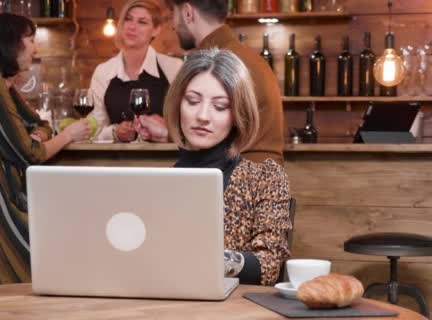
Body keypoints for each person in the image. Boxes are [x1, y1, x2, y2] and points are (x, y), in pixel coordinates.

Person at [0, 13, 90, 283]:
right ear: (9, 43)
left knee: (53, 245)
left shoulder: (5, 88)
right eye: (30, 40)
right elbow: (30, 155)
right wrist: (69, 135)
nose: (35, 48)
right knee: (42, 257)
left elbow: (40, 124)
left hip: (3, 189)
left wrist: (38, 135)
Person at [164, 48, 291, 285]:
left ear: (238, 115)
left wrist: (206, 259)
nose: (202, 115)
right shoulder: (161, 183)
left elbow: (268, 267)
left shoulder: (265, 178)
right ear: (177, 105)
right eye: (192, 101)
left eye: (220, 106)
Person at [143, 0, 284, 163]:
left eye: (173, 14)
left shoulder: (225, 63)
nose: (173, 25)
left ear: (188, 13)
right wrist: (168, 132)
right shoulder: (244, 57)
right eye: (193, 101)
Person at [90, 0, 183, 142]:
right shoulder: (103, 72)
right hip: (116, 160)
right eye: (128, 19)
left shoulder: (174, 68)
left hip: (164, 159)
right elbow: (95, 128)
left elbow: (185, 124)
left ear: (156, 30)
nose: (132, 27)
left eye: (142, 22)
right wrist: (115, 132)